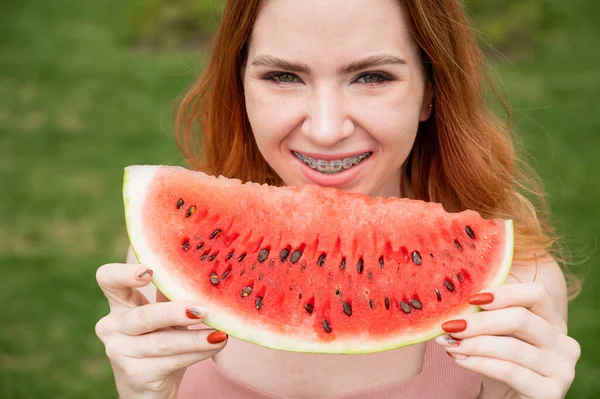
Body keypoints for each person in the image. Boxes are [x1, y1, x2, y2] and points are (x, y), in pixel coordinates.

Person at [94, 0, 582, 398]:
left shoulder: (515, 295)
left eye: (372, 77)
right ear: (241, 85)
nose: (326, 130)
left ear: (431, 90)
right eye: (283, 76)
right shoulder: (162, 271)